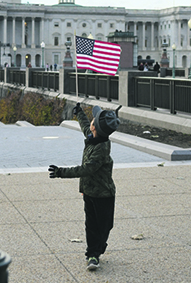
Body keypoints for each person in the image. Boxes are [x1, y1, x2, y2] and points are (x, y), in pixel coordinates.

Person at [48, 103, 120, 272]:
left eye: (93, 119)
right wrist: (79, 113)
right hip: (89, 192)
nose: (91, 121)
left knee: (105, 226)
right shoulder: (93, 136)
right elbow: (85, 126)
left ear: (97, 128)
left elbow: (86, 169)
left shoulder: (101, 149)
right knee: (91, 225)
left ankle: (98, 246)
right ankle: (92, 255)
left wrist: (60, 172)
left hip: (104, 194)